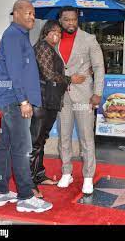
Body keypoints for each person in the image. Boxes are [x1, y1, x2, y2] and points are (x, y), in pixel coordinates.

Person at [0, 0, 52, 213]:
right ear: (16, 13)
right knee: (22, 148)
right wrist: (24, 101)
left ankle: (0, 191)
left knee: (6, 146)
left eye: (34, 15)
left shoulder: (17, 36)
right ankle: (26, 196)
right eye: (28, 13)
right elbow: (16, 72)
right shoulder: (14, 36)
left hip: (12, 101)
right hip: (16, 102)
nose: (32, 17)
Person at [30, 20, 85, 198]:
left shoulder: (51, 49)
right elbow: (47, 74)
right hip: (41, 101)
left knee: (41, 140)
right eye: (53, 31)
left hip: (50, 101)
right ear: (45, 32)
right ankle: (29, 183)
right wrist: (70, 79)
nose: (57, 34)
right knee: (35, 143)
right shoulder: (42, 47)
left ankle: (38, 176)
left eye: (59, 32)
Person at [57, 6, 105, 194]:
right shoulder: (54, 38)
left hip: (84, 94)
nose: (71, 23)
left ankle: (87, 176)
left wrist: (98, 92)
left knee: (86, 136)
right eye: (67, 19)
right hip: (62, 94)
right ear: (60, 20)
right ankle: (66, 172)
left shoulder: (88, 39)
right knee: (64, 135)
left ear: (78, 20)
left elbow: (99, 67)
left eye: (74, 19)